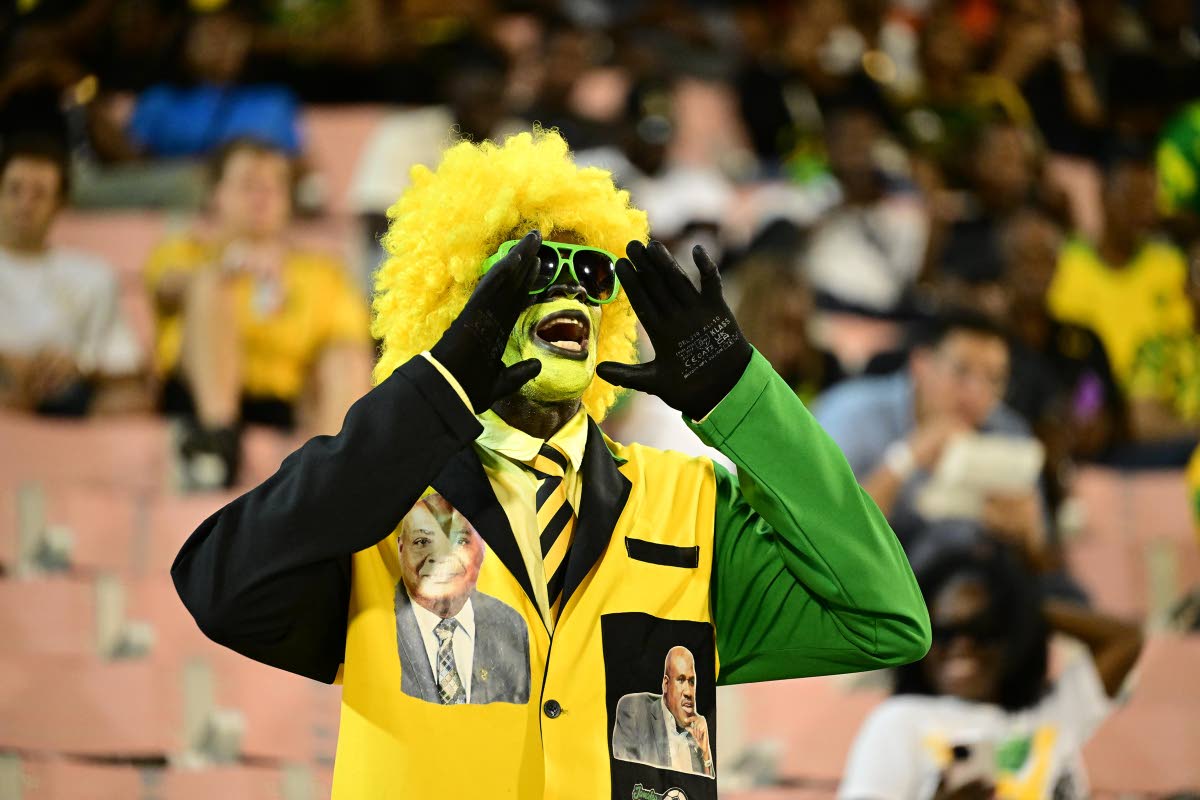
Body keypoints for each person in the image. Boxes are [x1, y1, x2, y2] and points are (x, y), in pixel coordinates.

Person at [171, 130, 931, 798]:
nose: (567, 284)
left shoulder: (688, 501)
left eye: (588, 273)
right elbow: (221, 587)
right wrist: (436, 391)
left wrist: (741, 397)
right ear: (458, 306)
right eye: (530, 269)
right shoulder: (377, 501)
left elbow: (885, 619)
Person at [145, 137, 371, 489]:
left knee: (345, 355)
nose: (262, 196)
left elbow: (349, 341)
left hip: (285, 399)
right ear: (216, 194)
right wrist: (229, 265)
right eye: (248, 184)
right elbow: (167, 285)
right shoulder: (185, 251)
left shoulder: (322, 273)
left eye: (274, 186)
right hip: (191, 399)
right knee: (209, 285)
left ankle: (336, 477)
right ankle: (216, 442)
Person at [838, 541, 1142, 800]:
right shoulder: (898, 720)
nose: (962, 645)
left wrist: (1021, 601)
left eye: (981, 631)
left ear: (1009, 637)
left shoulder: (1050, 714)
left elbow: (1125, 641)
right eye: (942, 633)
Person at [814, 313, 1045, 568]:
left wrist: (1026, 534)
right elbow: (825, 532)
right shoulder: (852, 415)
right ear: (920, 364)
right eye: (961, 371)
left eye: (994, 379)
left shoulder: (1008, 433)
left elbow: (1040, 559)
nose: (976, 393)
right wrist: (907, 458)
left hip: (975, 579)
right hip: (865, 576)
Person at [0, 135, 145, 415]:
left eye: (39, 193)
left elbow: (126, 361)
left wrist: (78, 365)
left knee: (128, 399)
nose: (25, 204)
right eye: (14, 190)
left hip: (67, 400)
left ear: (59, 205)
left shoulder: (92, 274)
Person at [1047, 154, 1193, 385]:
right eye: (1132, 200)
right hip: (1089, 392)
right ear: (1104, 196)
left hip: (1160, 397)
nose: (1144, 213)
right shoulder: (1065, 263)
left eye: (1150, 201)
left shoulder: (1172, 266)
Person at [394, 493, 530, 706]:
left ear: (483, 547)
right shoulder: (376, 619)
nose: (440, 557)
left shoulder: (512, 624)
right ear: (400, 548)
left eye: (460, 540)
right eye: (422, 541)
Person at [612, 646, 713, 777]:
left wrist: (705, 753)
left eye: (692, 682)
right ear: (666, 684)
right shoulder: (635, 711)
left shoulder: (698, 732)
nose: (688, 692)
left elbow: (705, 790)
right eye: (681, 680)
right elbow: (625, 779)